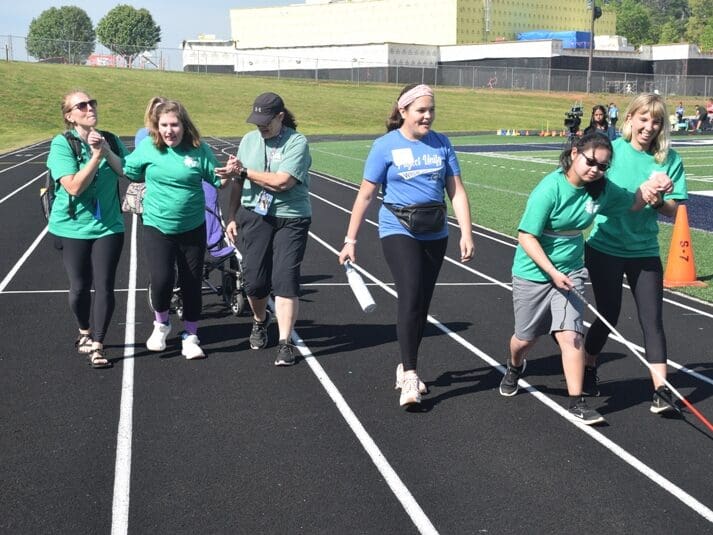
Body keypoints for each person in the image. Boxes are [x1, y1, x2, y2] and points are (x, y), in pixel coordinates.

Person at [499, 133, 671, 424]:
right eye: (590, 162)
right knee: (525, 339)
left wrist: (656, 189)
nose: (595, 169)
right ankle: (515, 365)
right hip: (534, 272)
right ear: (575, 153)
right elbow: (526, 236)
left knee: (572, 336)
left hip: (572, 270)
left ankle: (576, 401)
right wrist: (552, 273)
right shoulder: (549, 189)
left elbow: (631, 202)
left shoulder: (601, 189)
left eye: (602, 166)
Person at [337, 84, 475, 408]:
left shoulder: (442, 144)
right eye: (421, 111)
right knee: (410, 295)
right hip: (398, 227)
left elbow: (456, 192)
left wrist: (466, 233)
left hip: (435, 231)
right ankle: (410, 375)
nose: (427, 116)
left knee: (422, 304)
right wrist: (350, 239)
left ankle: (405, 361)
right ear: (403, 111)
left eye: (431, 110)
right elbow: (366, 195)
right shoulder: (385, 146)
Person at [584, 93, 688, 415]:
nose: (649, 127)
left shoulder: (669, 159)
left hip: (644, 250)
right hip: (605, 248)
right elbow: (597, 195)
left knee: (652, 321)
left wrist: (659, 199)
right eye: (644, 119)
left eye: (656, 121)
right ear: (629, 119)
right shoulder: (612, 154)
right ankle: (588, 365)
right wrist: (639, 194)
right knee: (609, 314)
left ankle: (660, 390)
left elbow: (675, 211)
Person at [123, 99, 230, 359]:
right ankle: (162, 323)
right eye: (164, 125)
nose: (169, 130)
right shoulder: (148, 148)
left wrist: (230, 172)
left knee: (191, 282)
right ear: (156, 126)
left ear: (184, 125)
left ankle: (191, 335)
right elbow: (129, 169)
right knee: (161, 280)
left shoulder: (198, 149)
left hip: (192, 227)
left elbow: (217, 180)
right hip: (158, 226)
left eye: (174, 124)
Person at [221, 92, 312, 367]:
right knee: (255, 281)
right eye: (257, 120)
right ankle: (260, 320)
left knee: (285, 278)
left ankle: (285, 342)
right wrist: (232, 215)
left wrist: (245, 171)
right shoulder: (249, 141)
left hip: (291, 217)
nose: (260, 126)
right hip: (254, 214)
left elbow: (283, 182)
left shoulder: (297, 142)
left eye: (266, 121)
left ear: (280, 117)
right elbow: (237, 181)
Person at [46, 90, 128, 368]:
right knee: (79, 287)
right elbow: (74, 187)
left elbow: (127, 171)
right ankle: (84, 331)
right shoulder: (62, 144)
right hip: (71, 227)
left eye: (92, 102)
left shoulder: (112, 139)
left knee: (105, 285)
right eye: (81, 105)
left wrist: (105, 149)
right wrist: (94, 156)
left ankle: (99, 344)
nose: (89, 107)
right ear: (70, 116)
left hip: (108, 226)